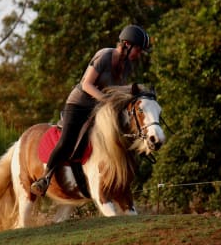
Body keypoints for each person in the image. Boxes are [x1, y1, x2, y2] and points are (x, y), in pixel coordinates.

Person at [30, 24, 150, 196]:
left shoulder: (128, 66)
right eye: (138, 49)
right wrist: (105, 99)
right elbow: (86, 84)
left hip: (99, 108)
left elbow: (117, 89)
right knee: (66, 142)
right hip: (78, 104)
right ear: (126, 44)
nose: (139, 54)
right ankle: (45, 178)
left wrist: (136, 90)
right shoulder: (104, 55)